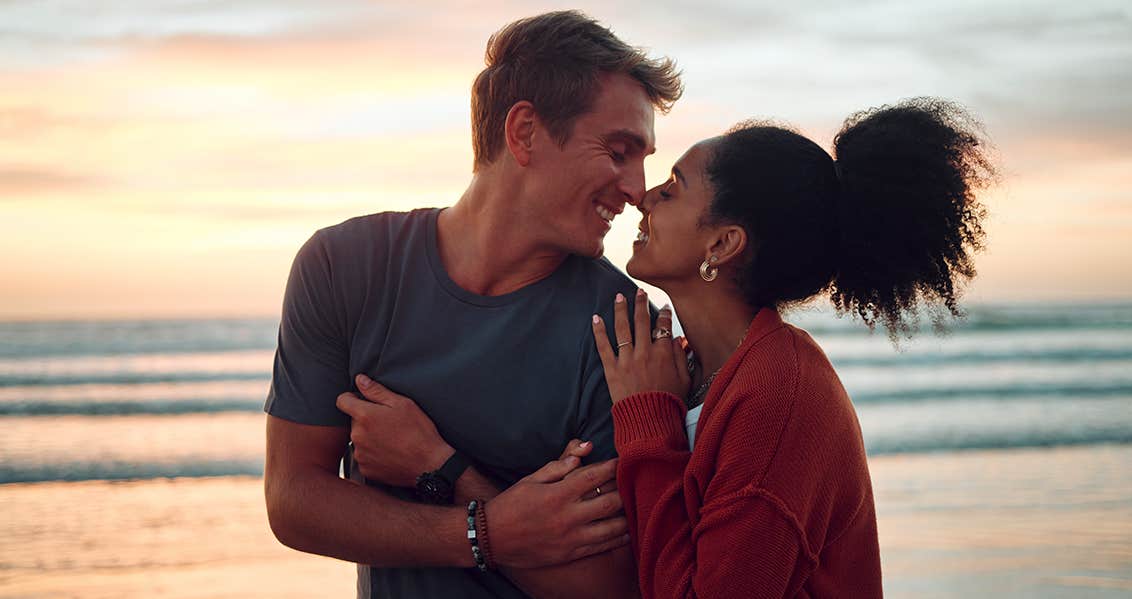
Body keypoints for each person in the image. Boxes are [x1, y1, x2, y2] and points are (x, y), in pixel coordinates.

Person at [262, 11, 681, 599]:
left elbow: (608, 588)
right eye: (618, 151)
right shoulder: (344, 267)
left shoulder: (625, 329)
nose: (638, 189)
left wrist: (443, 470)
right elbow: (293, 501)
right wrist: (484, 532)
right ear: (525, 132)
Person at [590, 99, 994, 598]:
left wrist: (647, 420)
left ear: (722, 244)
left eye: (672, 189)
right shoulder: (693, 369)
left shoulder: (780, 399)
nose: (645, 197)